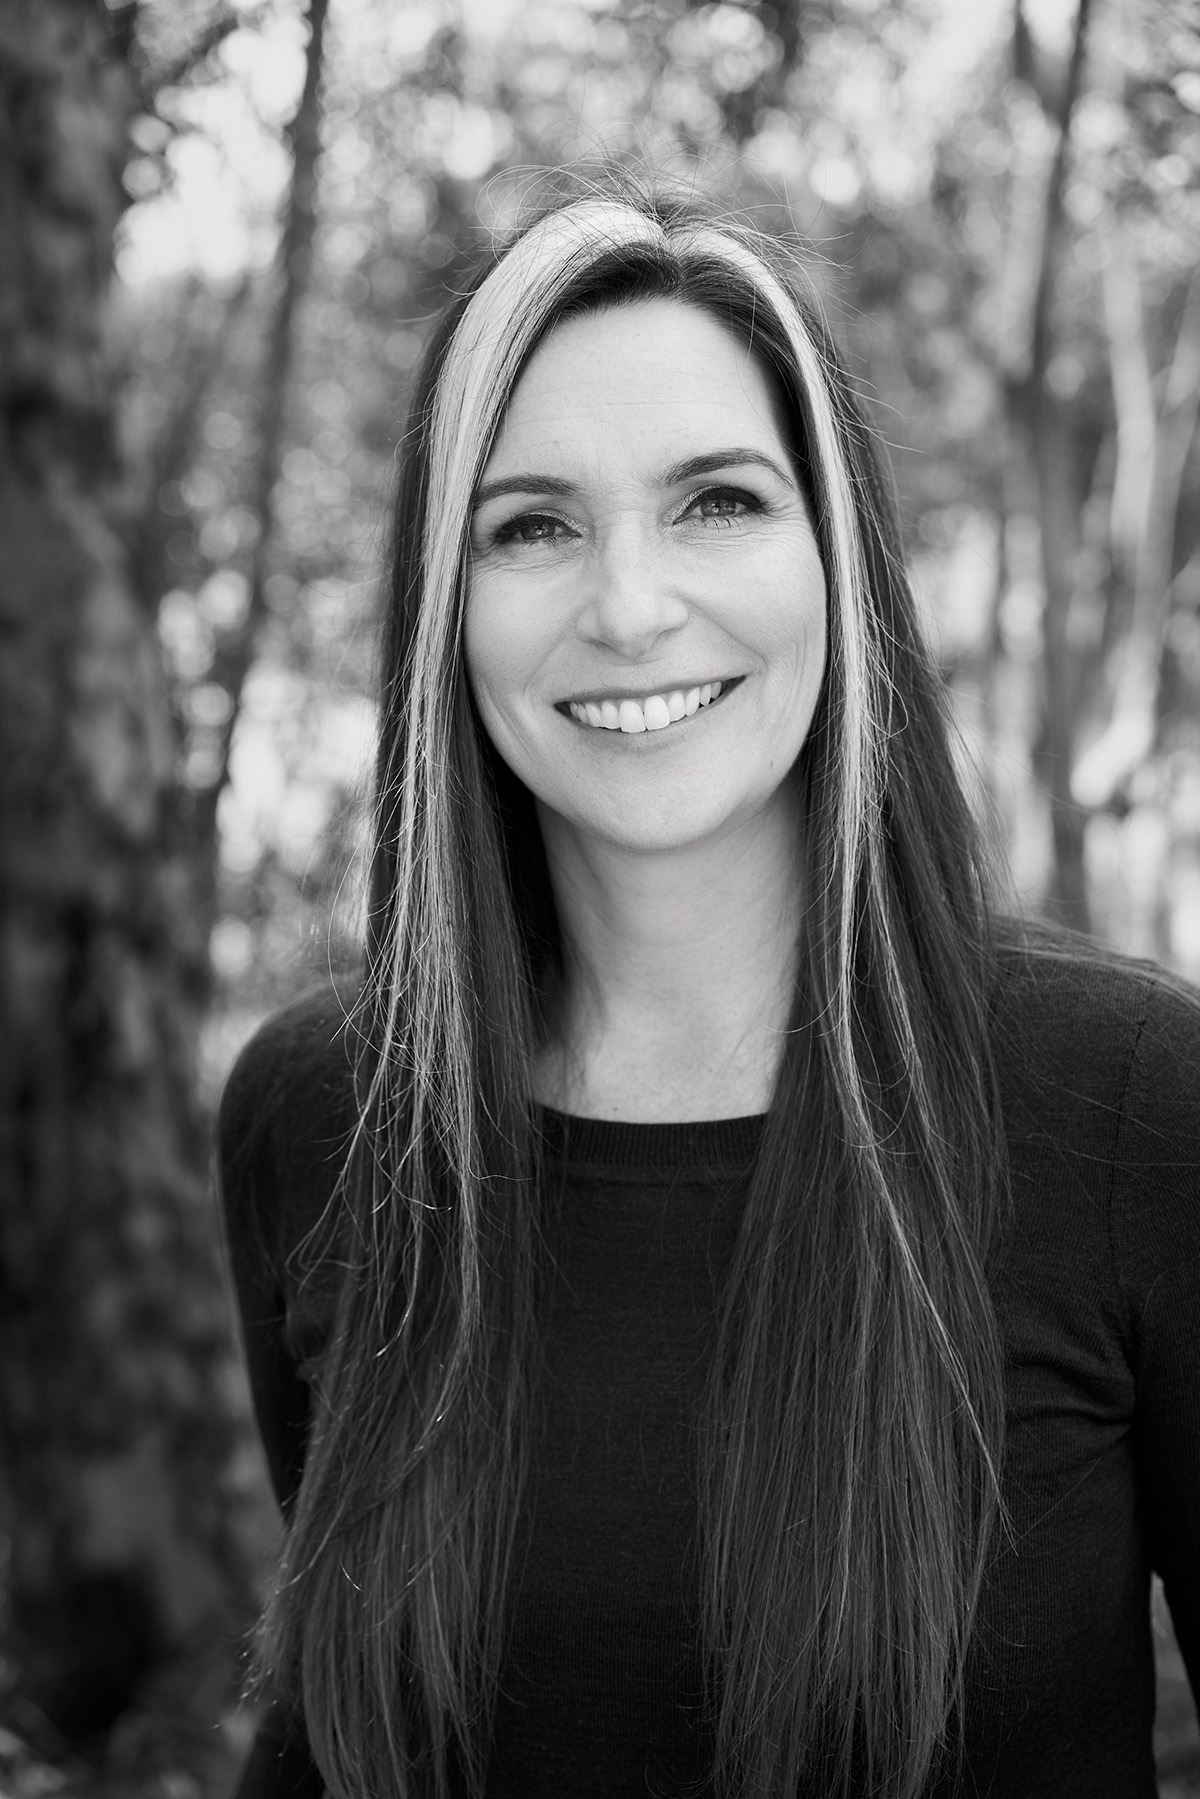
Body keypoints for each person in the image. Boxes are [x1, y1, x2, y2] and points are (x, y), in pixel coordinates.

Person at [217, 180, 1200, 1799]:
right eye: (532, 524)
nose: (627, 605)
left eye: (717, 502)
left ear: (840, 556)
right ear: (444, 612)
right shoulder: (324, 1110)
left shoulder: (1131, 1105)